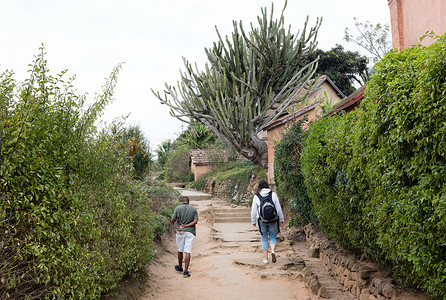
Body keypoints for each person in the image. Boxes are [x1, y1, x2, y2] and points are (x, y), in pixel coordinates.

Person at [251, 180, 284, 264]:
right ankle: (272, 251)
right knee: (273, 237)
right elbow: (278, 208)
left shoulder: (257, 196)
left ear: (259, 187)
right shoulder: (273, 194)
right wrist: (282, 219)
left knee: (264, 239)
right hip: (273, 219)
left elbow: (254, 211)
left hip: (261, 220)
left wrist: (253, 221)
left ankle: (265, 258)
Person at [171, 196, 198, 278]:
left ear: (182, 201)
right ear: (188, 202)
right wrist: (186, 225)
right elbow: (195, 221)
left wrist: (176, 222)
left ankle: (180, 267)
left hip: (180, 232)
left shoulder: (177, 208)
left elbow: (172, 220)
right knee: (187, 251)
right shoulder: (193, 209)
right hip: (190, 231)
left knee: (180, 250)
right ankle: (186, 272)